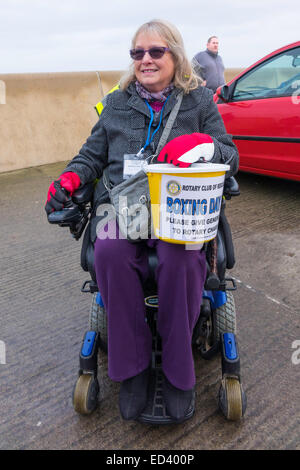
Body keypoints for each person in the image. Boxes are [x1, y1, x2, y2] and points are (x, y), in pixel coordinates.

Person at [45, 19, 238, 422]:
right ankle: (132, 371)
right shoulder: (116, 104)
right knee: (111, 250)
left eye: (155, 52)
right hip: (124, 212)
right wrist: (70, 178)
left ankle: (176, 371)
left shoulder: (198, 102)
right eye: (137, 53)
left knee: (182, 258)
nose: (145, 60)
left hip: (179, 215)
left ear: (176, 55)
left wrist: (203, 145)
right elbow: (91, 155)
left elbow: (229, 154)